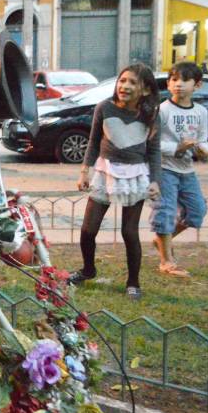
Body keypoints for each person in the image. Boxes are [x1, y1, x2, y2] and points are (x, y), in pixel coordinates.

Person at [73, 63, 161, 300]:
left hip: (135, 175)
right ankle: (88, 270)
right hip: (105, 171)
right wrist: (84, 173)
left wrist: (155, 181)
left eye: (133, 82)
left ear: (145, 90)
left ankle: (133, 282)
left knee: (129, 232)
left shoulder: (150, 113)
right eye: (122, 80)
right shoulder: (104, 107)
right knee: (87, 230)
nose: (125, 86)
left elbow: (154, 150)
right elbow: (93, 143)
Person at [152, 61, 208, 278]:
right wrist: (176, 147)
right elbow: (151, 144)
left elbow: (203, 139)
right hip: (164, 170)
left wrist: (203, 150)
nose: (178, 84)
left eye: (185, 80)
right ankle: (167, 261)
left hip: (187, 170)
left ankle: (162, 240)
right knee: (164, 212)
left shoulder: (201, 112)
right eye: (174, 80)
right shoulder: (162, 111)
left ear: (197, 85)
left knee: (197, 212)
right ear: (168, 83)